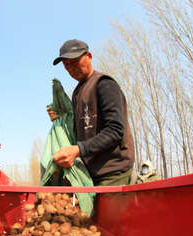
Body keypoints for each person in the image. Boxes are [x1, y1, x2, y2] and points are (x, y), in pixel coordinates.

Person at [49, 39, 135, 186]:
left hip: (112, 171)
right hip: (90, 174)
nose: (70, 68)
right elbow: (80, 132)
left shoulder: (104, 84)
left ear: (89, 56)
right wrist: (61, 118)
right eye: (66, 65)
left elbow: (115, 130)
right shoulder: (77, 92)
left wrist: (78, 150)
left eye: (74, 61)